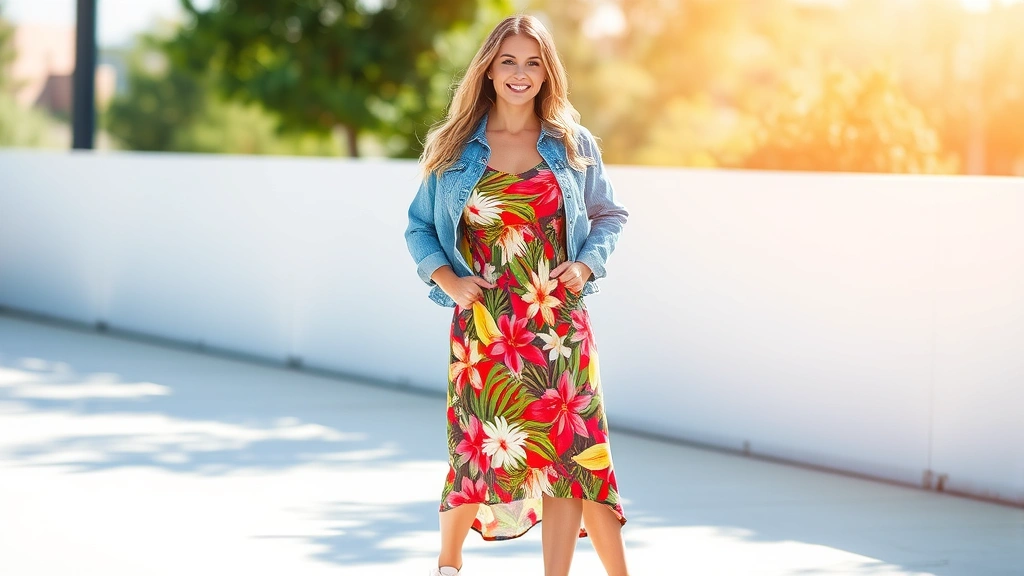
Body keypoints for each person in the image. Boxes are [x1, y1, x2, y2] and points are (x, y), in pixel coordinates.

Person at [404, 13, 630, 576]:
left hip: (559, 328)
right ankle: (449, 561)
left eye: (533, 62)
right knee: (479, 452)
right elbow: (419, 228)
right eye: (509, 60)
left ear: (547, 73)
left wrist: (585, 266)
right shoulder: (455, 149)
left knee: (569, 458)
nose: (520, 73)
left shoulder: (572, 145)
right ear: (488, 69)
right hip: (485, 329)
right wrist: (451, 283)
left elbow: (609, 215)